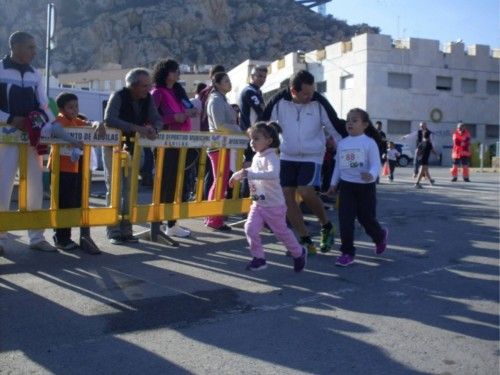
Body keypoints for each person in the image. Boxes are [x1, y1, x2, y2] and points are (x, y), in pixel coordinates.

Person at [261, 69, 348, 255]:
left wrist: (344, 151)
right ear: (293, 91)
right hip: (287, 155)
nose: (311, 95)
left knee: (305, 190)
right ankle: (304, 239)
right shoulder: (279, 102)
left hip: (312, 156)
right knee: (286, 197)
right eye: (306, 93)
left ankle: (326, 225)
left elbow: (334, 127)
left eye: (312, 91)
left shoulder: (318, 102)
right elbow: (262, 125)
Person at [0, 31, 57, 254]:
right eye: (30, 47)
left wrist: (48, 124)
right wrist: (12, 119)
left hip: (32, 138)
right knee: (2, 186)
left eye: (35, 47)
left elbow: (43, 104)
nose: (35, 51)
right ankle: (1, 238)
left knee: (36, 186)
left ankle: (37, 237)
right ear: (14, 46)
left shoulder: (36, 73)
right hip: (5, 138)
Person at [229, 121, 306, 272]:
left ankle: (299, 252)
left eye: (256, 139)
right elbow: (252, 169)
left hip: (274, 205)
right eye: (251, 139)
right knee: (250, 229)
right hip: (258, 203)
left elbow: (273, 174)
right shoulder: (258, 156)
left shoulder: (272, 156)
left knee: (281, 233)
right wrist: (238, 174)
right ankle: (259, 258)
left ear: (269, 141)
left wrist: (248, 173)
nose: (252, 142)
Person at [103, 68, 162, 244]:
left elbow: (157, 119)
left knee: (130, 190)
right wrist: (136, 128)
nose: (148, 89)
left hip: (134, 148)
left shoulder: (148, 99)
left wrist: (154, 129)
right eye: (145, 86)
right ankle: (113, 230)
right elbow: (110, 120)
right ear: (133, 86)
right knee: (114, 188)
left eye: (149, 85)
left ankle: (127, 229)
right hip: (113, 147)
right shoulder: (118, 96)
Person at [327, 108, 388, 267]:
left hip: (365, 188)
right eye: (348, 120)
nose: (350, 123)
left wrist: (372, 175)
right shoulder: (342, 143)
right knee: (345, 220)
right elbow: (338, 167)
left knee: (366, 219)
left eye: (354, 120)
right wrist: (333, 184)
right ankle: (347, 252)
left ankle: (379, 236)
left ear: (365, 124)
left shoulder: (369, 143)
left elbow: (376, 164)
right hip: (347, 187)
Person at [48, 92, 105, 254]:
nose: (74, 110)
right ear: (61, 109)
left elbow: (89, 123)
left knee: (73, 201)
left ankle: (67, 237)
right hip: (60, 168)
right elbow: (57, 130)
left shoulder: (76, 121)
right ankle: (60, 238)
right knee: (63, 202)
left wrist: (96, 124)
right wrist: (73, 141)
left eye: (76, 106)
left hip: (74, 168)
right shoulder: (60, 120)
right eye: (70, 107)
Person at [151, 59, 193, 238]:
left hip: (179, 144)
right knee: (165, 183)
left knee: (176, 184)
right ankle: (159, 223)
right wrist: (175, 118)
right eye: (174, 71)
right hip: (165, 144)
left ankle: (171, 223)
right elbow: (153, 118)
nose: (178, 74)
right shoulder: (157, 92)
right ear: (165, 73)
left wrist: (186, 115)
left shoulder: (176, 92)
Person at [205, 72, 241, 231]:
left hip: (223, 145)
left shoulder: (220, 99)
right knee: (220, 181)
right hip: (218, 145)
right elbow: (220, 125)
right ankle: (214, 218)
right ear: (217, 84)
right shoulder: (216, 100)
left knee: (220, 181)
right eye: (226, 81)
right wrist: (240, 130)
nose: (229, 83)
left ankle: (213, 217)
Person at [238, 65, 268, 196]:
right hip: (250, 135)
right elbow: (262, 110)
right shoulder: (249, 91)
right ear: (252, 76)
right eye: (259, 76)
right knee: (250, 166)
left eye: (264, 77)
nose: (262, 79)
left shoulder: (257, 91)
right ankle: (246, 200)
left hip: (255, 135)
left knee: (255, 166)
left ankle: (253, 199)